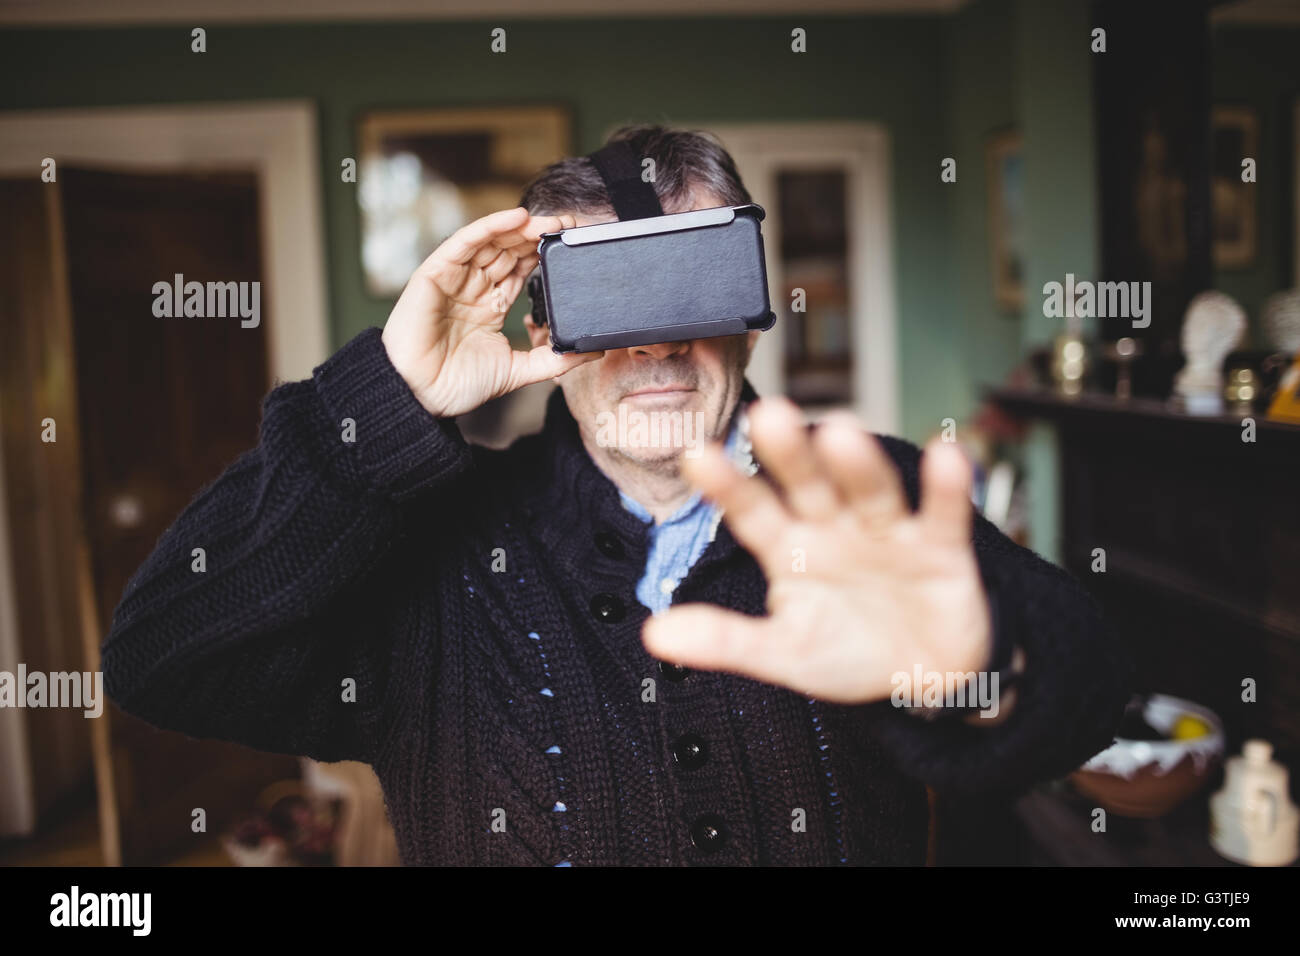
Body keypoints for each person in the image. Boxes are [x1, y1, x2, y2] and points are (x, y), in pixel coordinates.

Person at [101, 124, 1132, 865]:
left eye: (689, 280)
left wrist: (964, 674)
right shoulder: (429, 556)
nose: (653, 341)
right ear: (540, 322)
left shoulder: (862, 499)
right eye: (605, 294)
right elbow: (161, 658)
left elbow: (1088, 689)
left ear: (751, 307)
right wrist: (380, 405)